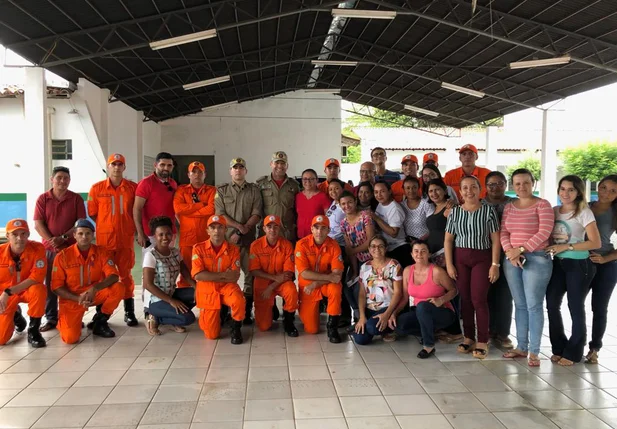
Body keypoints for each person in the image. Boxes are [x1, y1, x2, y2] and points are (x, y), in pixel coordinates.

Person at [500, 169, 554, 366]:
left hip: (537, 258)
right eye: (517, 183)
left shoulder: (543, 205)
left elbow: (544, 232)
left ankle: (534, 350)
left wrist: (521, 249)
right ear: (512, 185)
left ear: (533, 184)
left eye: (526, 183)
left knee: (533, 305)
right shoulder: (509, 207)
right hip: (512, 260)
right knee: (520, 304)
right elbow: (504, 231)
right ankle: (521, 346)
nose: (521, 187)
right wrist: (510, 252)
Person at [546, 175, 601, 366]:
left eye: (571, 189)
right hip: (558, 264)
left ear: (578, 192)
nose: (565, 193)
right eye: (562, 188)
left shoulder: (583, 212)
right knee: (552, 304)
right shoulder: (553, 211)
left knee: (575, 308)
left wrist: (566, 247)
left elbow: (595, 242)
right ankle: (559, 348)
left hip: (579, 265)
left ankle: (574, 352)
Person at [445, 176, 500, 359]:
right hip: (460, 258)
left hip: (482, 258)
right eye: (465, 188)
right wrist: (450, 264)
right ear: (460, 191)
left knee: (479, 299)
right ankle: (468, 337)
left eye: (473, 187)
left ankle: (482, 340)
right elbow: (448, 240)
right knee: (465, 299)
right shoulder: (454, 212)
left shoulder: (488, 211)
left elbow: (495, 240)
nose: (469, 191)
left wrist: (495, 265)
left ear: (480, 189)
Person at [51, 219, 123, 344]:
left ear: (93, 235)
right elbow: (56, 287)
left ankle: (100, 322)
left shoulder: (102, 252)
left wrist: (95, 289)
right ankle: (65, 321)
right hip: (72, 299)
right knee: (70, 339)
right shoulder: (62, 256)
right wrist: (78, 298)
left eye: (88, 233)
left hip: (94, 294)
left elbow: (113, 276)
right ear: (74, 235)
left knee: (118, 287)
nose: (84, 237)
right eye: (80, 233)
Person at [87, 153, 138, 327]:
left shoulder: (132, 188)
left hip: (125, 240)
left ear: (124, 167)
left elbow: (137, 211)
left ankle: (129, 312)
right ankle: (101, 313)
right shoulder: (97, 189)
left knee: (126, 275)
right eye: (113, 164)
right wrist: (107, 226)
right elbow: (93, 213)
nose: (116, 167)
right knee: (104, 275)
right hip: (104, 242)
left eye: (120, 164)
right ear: (108, 167)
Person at [34, 166, 86, 332]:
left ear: (69, 180)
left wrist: (62, 238)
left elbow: (80, 223)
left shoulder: (76, 199)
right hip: (49, 250)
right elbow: (38, 224)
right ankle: (51, 318)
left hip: (71, 249)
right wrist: (52, 241)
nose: (62, 181)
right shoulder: (43, 199)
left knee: (72, 284)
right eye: (59, 178)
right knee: (50, 284)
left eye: (66, 178)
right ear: (52, 179)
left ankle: (73, 315)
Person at [215, 157, 262, 325]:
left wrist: (243, 230)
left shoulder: (254, 190)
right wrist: (238, 227)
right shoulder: (222, 190)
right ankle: (226, 309)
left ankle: (247, 309)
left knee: (250, 274)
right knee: (227, 275)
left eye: (241, 167)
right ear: (230, 171)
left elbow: (257, 213)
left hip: (247, 241)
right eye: (235, 167)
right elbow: (220, 215)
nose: (238, 170)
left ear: (246, 171)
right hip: (227, 242)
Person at [391, 240, 458, 358]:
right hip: (420, 313)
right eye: (416, 251)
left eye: (423, 251)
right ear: (411, 254)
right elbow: (405, 297)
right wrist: (394, 313)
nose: (419, 254)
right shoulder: (407, 271)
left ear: (429, 254)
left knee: (422, 306)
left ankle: (428, 345)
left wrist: (441, 300)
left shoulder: (437, 271)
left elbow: (454, 290)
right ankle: (430, 331)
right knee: (399, 324)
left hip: (442, 312)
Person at [192, 215, 245, 344]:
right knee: (212, 335)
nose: (216, 231)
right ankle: (220, 313)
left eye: (220, 227)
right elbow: (198, 275)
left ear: (225, 230)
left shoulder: (233, 249)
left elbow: (234, 276)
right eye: (213, 227)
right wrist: (223, 275)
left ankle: (236, 328)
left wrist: (209, 275)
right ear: (207, 231)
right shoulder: (198, 248)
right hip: (208, 291)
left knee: (238, 300)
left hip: (227, 287)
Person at [143, 216, 196, 336]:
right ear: (155, 236)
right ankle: (155, 317)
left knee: (202, 293)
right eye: (160, 234)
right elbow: (147, 284)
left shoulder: (176, 252)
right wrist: (171, 301)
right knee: (188, 319)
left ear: (172, 234)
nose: (165, 237)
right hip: (155, 300)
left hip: (171, 293)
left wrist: (196, 287)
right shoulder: (150, 255)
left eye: (168, 234)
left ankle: (172, 314)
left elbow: (185, 273)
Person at [295, 215, 344, 342]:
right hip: (307, 287)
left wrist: (317, 282)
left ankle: (332, 327)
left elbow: (337, 275)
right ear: (311, 229)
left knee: (335, 288)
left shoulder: (334, 245)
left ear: (328, 230)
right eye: (316, 228)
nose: (319, 232)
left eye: (323, 228)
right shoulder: (302, 244)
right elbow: (304, 273)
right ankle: (318, 305)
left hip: (324, 285)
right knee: (311, 330)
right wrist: (326, 278)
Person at [249, 215, 299, 336]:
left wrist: (272, 286)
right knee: (263, 327)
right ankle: (271, 308)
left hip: (281, 282)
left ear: (279, 228)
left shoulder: (287, 245)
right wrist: (274, 278)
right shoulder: (255, 245)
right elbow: (254, 271)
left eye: (276, 227)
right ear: (264, 229)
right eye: (269, 227)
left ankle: (288, 322)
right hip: (263, 283)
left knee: (291, 291)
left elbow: (288, 273)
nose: (272, 230)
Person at [0, 220, 47, 348]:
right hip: (6, 296)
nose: (20, 238)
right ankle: (16, 316)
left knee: (39, 289)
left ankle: (33, 331)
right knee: (1, 339)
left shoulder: (37, 248)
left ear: (28, 235)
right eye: (15, 234)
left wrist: (8, 291)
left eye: (23, 234)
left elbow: (37, 277)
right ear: (7, 236)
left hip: (26, 290)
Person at [586, 174, 617, 364]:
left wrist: (605, 258)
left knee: (599, 308)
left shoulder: (615, 213)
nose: (606, 193)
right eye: (604, 187)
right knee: (575, 306)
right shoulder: (586, 207)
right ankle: (573, 343)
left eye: (613, 190)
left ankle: (594, 348)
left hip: (606, 266)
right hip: (581, 262)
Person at [483, 171, 514, 349]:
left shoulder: (513, 204)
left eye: (500, 183)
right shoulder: (479, 204)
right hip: (484, 256)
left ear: (505, 184)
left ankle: (502, 333)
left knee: (504, 296)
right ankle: (487, 331)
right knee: (485, 295)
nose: (495, 188)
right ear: (485, 187)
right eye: (491, 184)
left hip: (508, 255)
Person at [352, 235, 402, 345]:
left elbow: (398, 293)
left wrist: (387, 314)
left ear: (386, 248)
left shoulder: (394, 265)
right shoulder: (364, 267)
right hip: (370, 308)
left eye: (380, 246)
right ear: (369, 249)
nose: (377, 249)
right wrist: (362, 316)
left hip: (387, 307)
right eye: (373, 246)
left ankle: (388, 329)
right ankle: (374, 324)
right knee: (360, 340)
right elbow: (361, 293)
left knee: (372, 328)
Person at [173, 161, 216, 287]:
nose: (197, 175)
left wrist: (189, 212)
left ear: (205, 174)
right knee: (186, 273)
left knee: (207, 271)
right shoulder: (181, 190)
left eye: (200, 172)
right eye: (194, 172)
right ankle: (186, 302)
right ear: (188, 174)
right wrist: (199, 205)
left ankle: (208, 301)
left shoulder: (212, 191)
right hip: (187, 239)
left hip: (206, 239)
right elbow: (178, 209)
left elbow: (212, 209)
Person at [134, 152, 177, 249]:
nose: (166, 168)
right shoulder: (146, 183)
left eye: (169, 165)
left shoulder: (173, 183)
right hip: (151, 234)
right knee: (151, 263)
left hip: (169, 232)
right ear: (155, 165)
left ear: (172, 167)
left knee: (168, 262)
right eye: (162, 165)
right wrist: (140, 233)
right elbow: (137, 208)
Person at [340, 190, 376, 309]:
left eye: (349, 202)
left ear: (355, 202)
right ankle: (357, 315)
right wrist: (355, 271)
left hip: (372, 259)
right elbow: (349, 247)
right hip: (358, 261)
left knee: (359, 289)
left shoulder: (365, 216)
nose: (347, 206)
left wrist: (353, 251)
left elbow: (370, 242)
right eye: (343, 204)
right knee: (347, 286)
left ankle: (363, 317)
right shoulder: (343, 223)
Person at [256, 151, 300, 241]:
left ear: (287, 166)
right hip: (267, 232)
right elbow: (256, 208)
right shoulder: (261, 184)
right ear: (271, 164)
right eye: (277, 163)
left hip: (287, 232)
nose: (280, 166)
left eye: (283, 163)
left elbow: (297, 209)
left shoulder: (294, 185)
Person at [372, 181, 413, 268]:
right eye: (376, 192)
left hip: (399, 248)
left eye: (382, 191)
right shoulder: (380, 204)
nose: (379, 195)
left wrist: (376, 218)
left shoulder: (395, 208)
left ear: (389, 191)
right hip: (387, 248)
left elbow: (394, 233)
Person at [425, 179, 454, 268]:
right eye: (430, 191)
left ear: (445, 191)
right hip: (432, 254)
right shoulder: (433, 208)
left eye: (437, 189)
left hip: (445, 254)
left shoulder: (451, 207)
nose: (434, 193)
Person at [296, 168, 330, 239]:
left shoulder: (323, 197)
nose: (308, 182)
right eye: (305, 179)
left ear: (317, 180)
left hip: (317, 237)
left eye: (311, 179)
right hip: (300, 237)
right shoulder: (298, 196)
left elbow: (328, 218)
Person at [401, 177, 431, 242]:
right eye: (408, 188)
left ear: (418, 188)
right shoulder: (401, 206)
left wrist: (419, 240)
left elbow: (433, 227)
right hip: (407, 242)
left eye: (414, 187)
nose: (411, 191)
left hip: (425, 241)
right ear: (404, 189)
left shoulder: (426, 204)